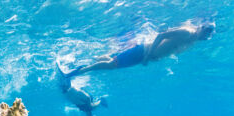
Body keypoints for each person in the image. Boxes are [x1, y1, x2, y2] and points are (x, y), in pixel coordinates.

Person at [63, 21, 215, 78]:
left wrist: (157, 57)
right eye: (207, 32)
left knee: (113, 62)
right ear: (202, 28)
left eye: (209, 35)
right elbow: (161, 35)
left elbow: (170, 48)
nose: (207, 37)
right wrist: (148, 55)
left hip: (145, 55)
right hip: (143, 51)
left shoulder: (192, 40)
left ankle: (82, 63)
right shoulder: (187, 32)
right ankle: (78, 71)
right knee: (112, 65)